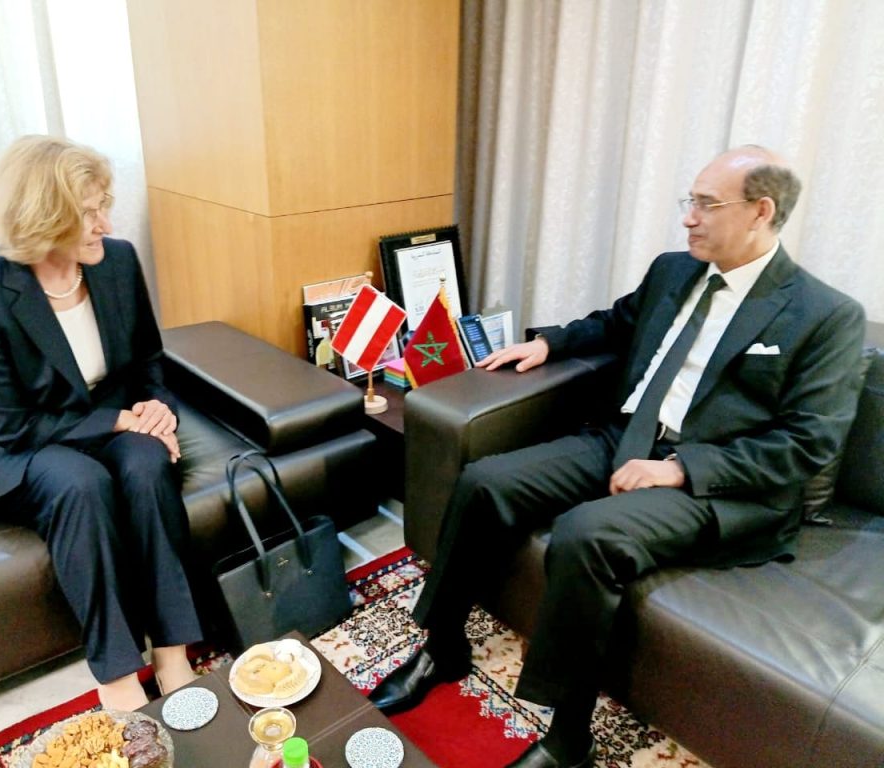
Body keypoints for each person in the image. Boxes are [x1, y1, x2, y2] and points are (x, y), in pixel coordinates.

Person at [368, 146, 866, 768]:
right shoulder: (675, 270)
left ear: (761, 211)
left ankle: (568, 738)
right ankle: (443, 646)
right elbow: (617, 321)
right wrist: (550, 343)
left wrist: (679, 469)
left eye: (706, 204)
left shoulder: (825, 315)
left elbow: (808, 444)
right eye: (690, 201)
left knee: (586, 535)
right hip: (625, 436)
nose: (688, 218)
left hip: (715, 481)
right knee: (484, 480)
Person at [0, 135, 202, 711]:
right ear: (43, 217)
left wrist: (156, 409)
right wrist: (120, 419)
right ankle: (117, 676)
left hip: (106, 420)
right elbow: (11, 426)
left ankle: (172, 653)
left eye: (103, 205)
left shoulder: (118, 262)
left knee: (146, 464)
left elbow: (148, 363)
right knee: (80, 484)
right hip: (20, 446)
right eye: (88, 213)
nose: (105, 223)